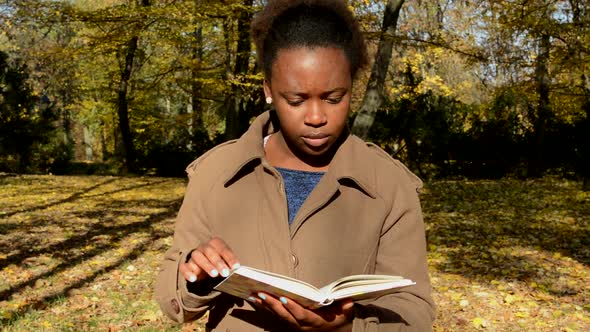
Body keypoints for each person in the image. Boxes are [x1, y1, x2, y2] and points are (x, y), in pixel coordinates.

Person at [155, 0, 435, 330]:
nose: (317, 118)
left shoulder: (389, 184)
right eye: (296, 100)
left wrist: (348, 327)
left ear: (351, 88)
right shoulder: (216, 172)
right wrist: (196, 277)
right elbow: (171, 299)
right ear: (269, 90)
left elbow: (415, 313)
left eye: (334, 98)